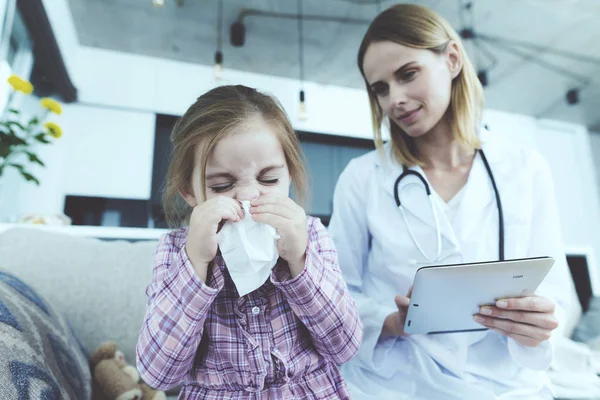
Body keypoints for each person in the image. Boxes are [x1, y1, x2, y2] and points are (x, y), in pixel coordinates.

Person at [328, 4, 574, 400]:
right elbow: (335, 297)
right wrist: (394, 321)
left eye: (407, 74)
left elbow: (555, 296)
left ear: (453, 59)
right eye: (381, 89)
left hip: (505, 388)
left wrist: (542, 321)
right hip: (396, 386)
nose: (396, 100)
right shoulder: (362, 177)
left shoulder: (526, 169)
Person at [137, 85, 363, 399]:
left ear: (288, 176)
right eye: (221, 185)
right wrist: (195, 264)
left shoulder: (310, 236)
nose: (247, 196)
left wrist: (299, 261)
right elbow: (158, 374)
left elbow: (345, 346)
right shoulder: (175, 251)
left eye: (269, 180)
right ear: (189, 193)